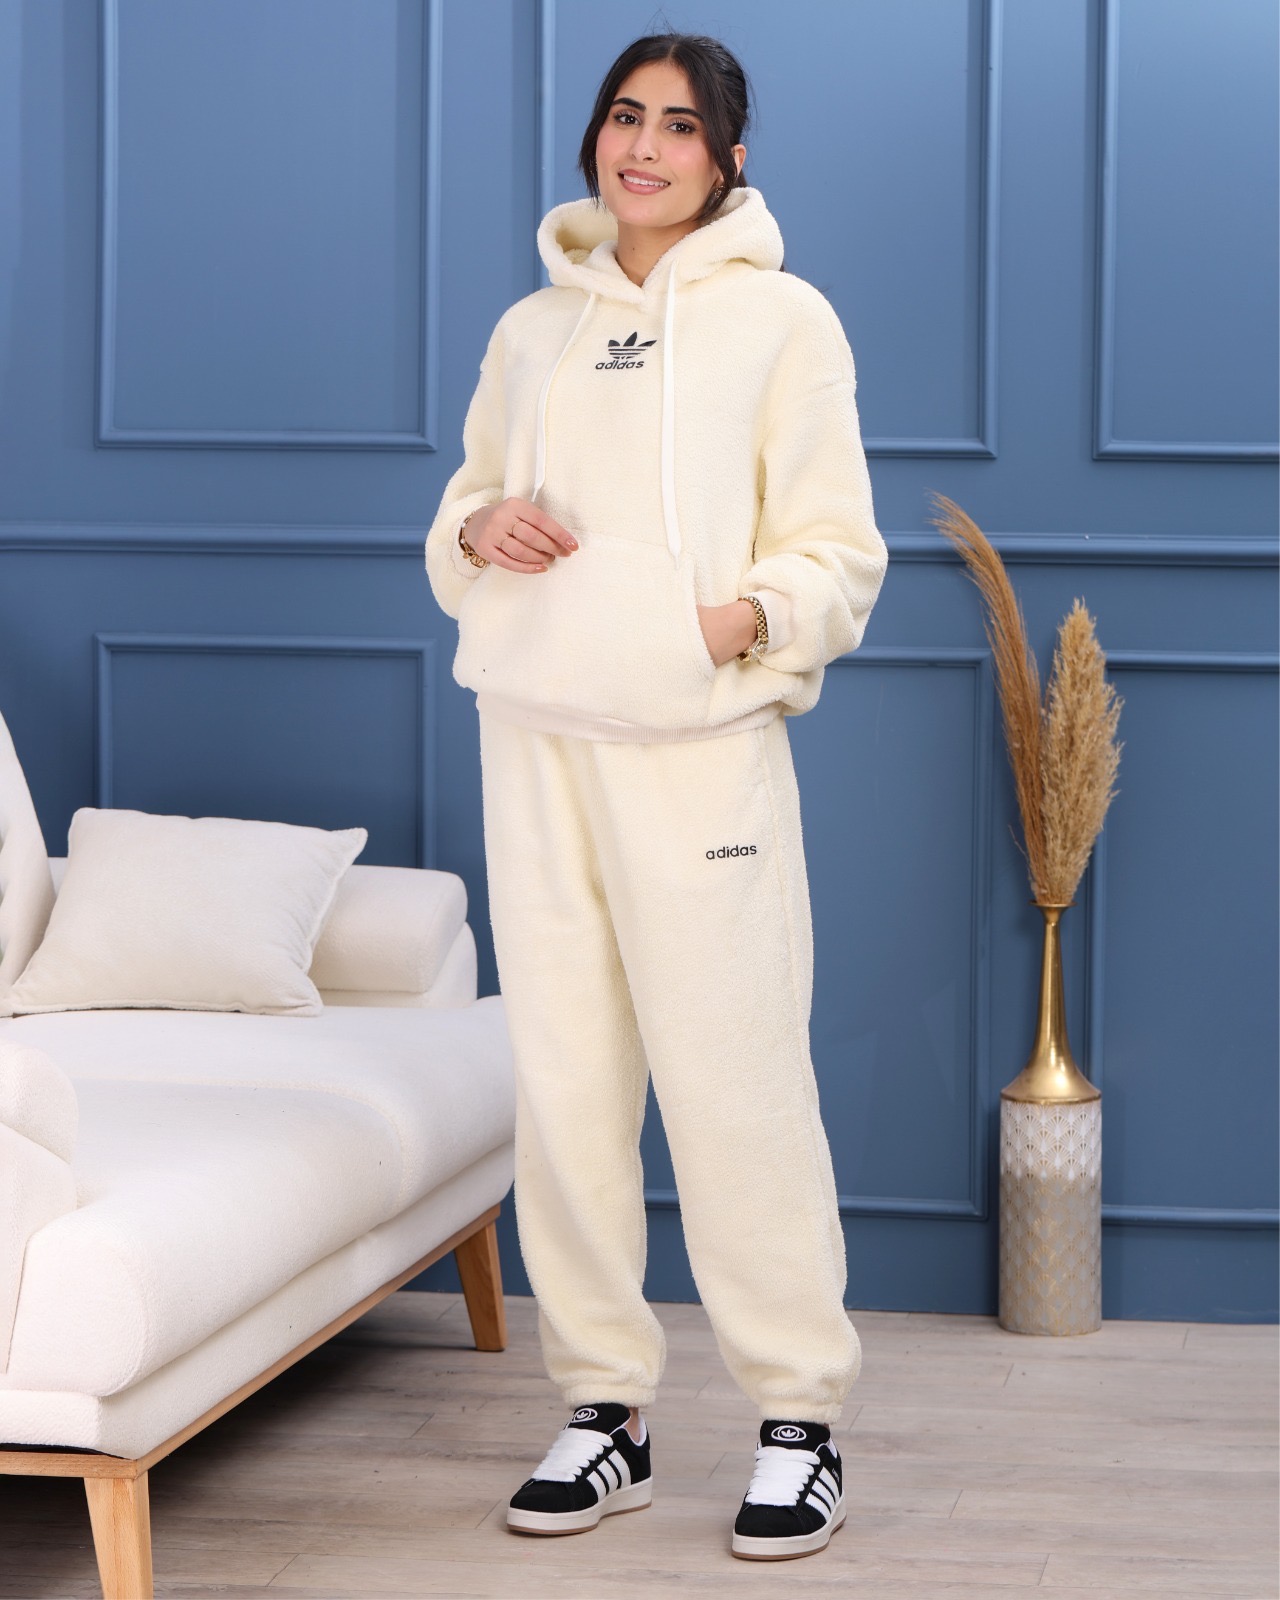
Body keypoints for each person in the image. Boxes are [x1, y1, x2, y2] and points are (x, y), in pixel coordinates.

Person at [424, 29, 887, 1563]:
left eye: (679, 126)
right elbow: (466, 505)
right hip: (537, 738)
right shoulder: (531, 331)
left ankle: (799, 1419)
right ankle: (604, 1408)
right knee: (565, 1090)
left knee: (736, 1086)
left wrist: (729, 625)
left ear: (728, 157)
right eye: (625, 117)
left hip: (695, 752)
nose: (644, 146)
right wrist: (479, 532)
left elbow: (838, 550)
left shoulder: (785, 323)